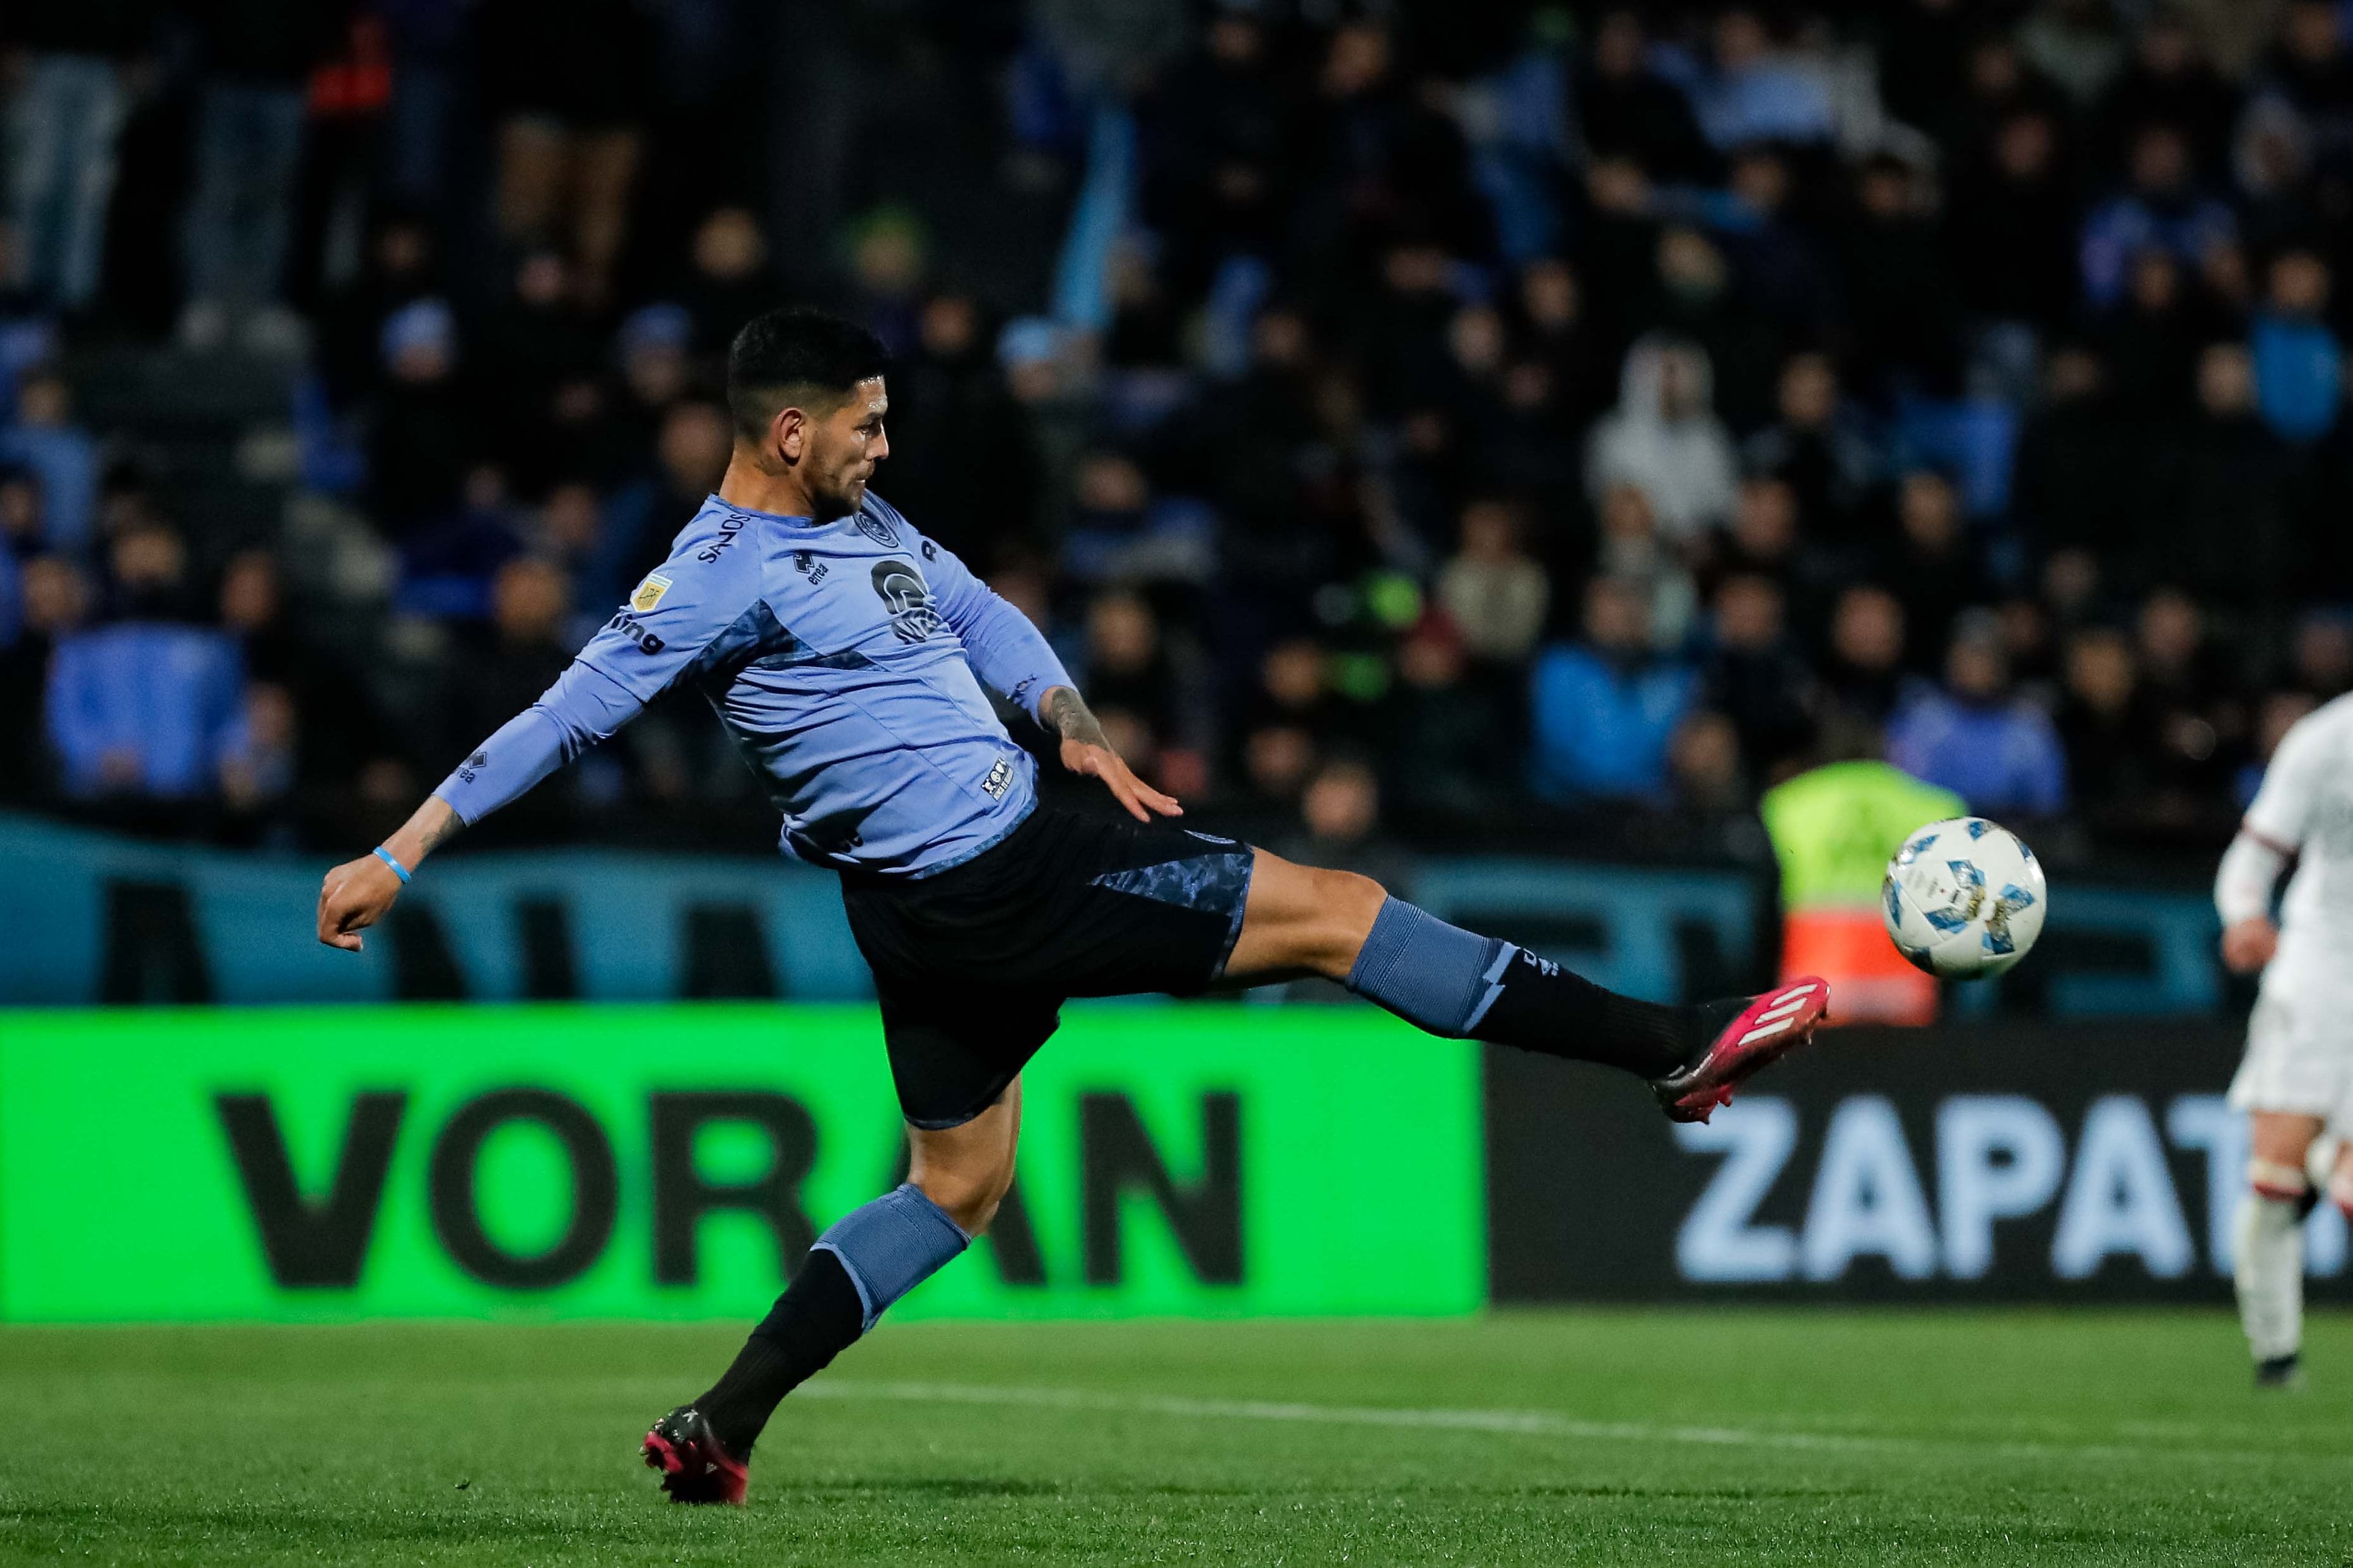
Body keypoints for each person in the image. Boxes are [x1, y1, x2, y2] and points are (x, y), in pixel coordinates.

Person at [310, 307, 1830, 1506]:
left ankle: (721, 1421)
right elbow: (562, 719)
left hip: (931, 910)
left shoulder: (871, 533)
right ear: (789, 431)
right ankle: (1671, 1045)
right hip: (1003, 880)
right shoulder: (714, 576)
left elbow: (979, 610)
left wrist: (1065, 713)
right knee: (1343, 911)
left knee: (955, 1189)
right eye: (867, 424)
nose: (887, 446)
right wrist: (402, 848)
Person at [2215, 690, 2353, 1389]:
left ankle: (2335, 1159)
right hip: (2321, 967)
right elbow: (2253, 855)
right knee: (2274, 1177)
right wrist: (2242, 915)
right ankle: (2275, 1356)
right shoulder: (2325, 741)